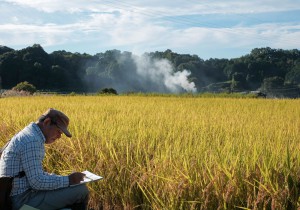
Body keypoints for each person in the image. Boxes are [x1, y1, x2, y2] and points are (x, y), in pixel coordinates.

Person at [0, 108, 89, 210]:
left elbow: (35, 177)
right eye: (58, 131)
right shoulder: (32, 140)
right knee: (81, 190)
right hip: (21, 199)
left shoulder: (29, 134)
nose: (59, 136)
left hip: (20, 194)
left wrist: (66, 180)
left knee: (71, 187)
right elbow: (37, 181)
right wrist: (69, 180)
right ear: (47, 122)